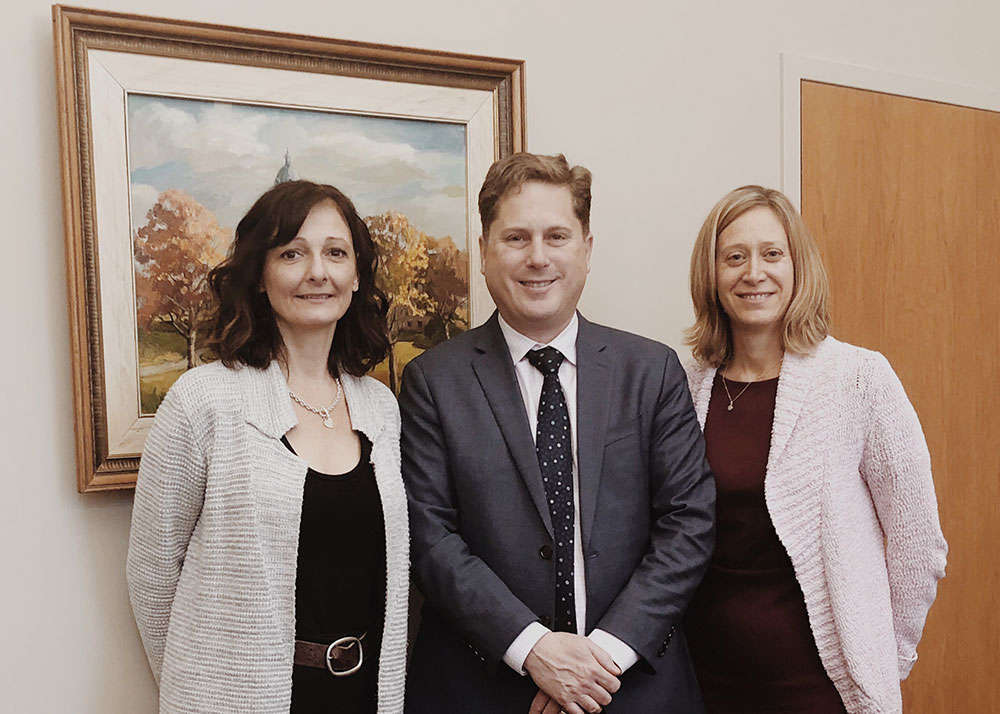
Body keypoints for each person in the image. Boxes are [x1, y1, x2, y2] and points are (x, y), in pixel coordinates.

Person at [400, 152, 715, 714]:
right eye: (516, 237)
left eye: (557, 236)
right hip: (484, 689)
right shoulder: (432, 380)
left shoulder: (651, 371)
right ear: (484, 251)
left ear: (587, 249)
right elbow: (430, 539)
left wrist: (601, 662)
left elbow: (688, 523)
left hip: (635, 686)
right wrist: (535, 650)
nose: (538, 257)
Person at [126, 180, 409, 714]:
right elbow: (152, 573)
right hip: (236, 697)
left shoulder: (381, 408)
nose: (317, 272)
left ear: (355, 276)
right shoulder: (203, 400)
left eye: (335, 253)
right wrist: (202, 686)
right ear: (259, 275)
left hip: (363, 695)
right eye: (292, 254)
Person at [682, 185, 948, 714]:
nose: (753, 272)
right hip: (701, 677)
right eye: (734, 257)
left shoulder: (858, 378)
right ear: (711, 275)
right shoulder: (684, 382)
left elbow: (919, 544)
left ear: (798, 266)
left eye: (771, 254)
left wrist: (881, 659)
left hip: (818, 684)